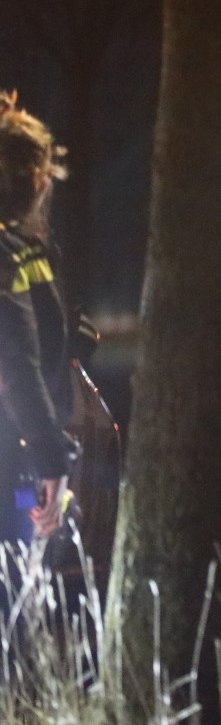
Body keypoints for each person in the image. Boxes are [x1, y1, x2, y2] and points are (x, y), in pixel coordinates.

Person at [0, 91, 78, 542]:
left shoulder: (26, 251)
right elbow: (16, 364)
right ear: (35, 178)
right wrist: (52, 462)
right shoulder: (9, 255)